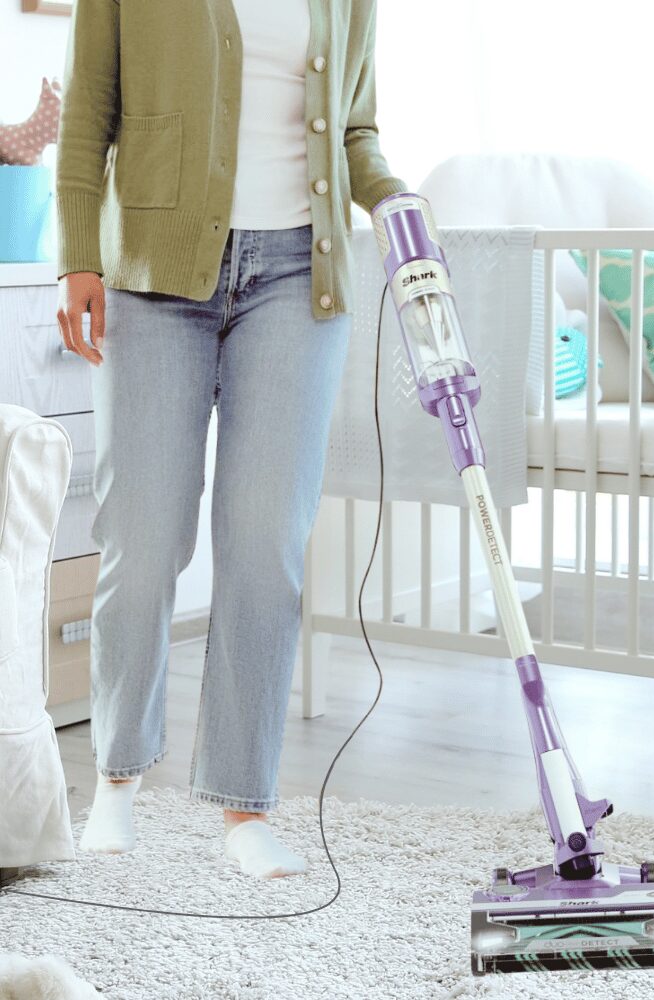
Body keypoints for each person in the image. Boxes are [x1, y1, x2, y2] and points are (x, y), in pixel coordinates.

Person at [54, 0, 408, 879]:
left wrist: (394, 195)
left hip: (299, 276)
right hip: (151, 274)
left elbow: (355, 129)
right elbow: (87, 116)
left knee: (263, 546)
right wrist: (76, 257)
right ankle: (116, 780)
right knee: (143, 540)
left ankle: (245, 807)